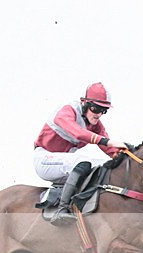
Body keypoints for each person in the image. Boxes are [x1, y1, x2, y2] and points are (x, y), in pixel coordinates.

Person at [33, 82, 127, 225]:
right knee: (83, 161)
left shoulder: (95, 124)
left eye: (104, 111)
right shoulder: (67, 111)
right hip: (44, 159)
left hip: (64, 164)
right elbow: (78, 133)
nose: (99, 115)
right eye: (96, 109)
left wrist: (131, 158)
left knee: (102, 166)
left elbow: (112, 151)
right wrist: (107, 141)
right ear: (85, 103)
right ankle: (62, 210)